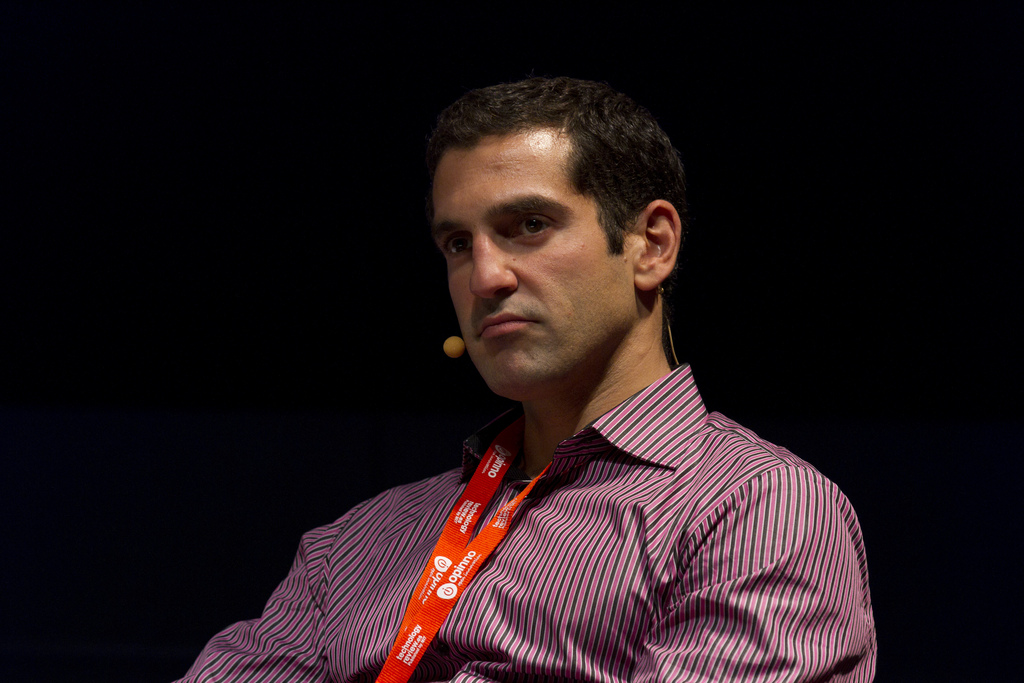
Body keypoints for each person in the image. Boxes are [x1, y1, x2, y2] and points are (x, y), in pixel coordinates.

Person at [177, 77, 876, 682]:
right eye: (458, 244)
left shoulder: (753, 509)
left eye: (530, 225)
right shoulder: (355, 542)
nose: (485, 277)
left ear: (651, 245)